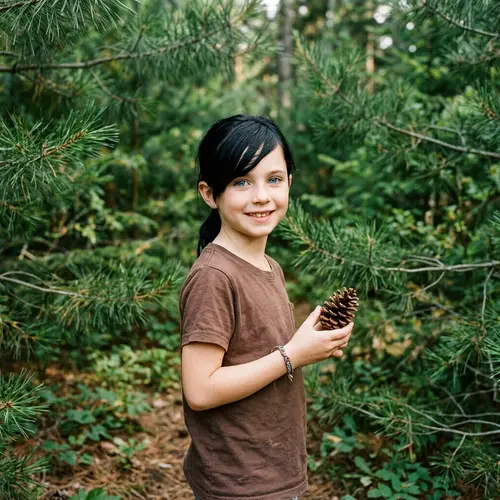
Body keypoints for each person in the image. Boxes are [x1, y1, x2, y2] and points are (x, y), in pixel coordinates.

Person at [179, 114, 354, 500]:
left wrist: (312, 344)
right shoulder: (214, 276)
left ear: (290, 183)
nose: (261, 196)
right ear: (210, 194)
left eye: (273, 179)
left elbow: (257, 351)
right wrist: (292, 354)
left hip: (273, 467)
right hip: (239, 481)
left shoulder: (269, 266)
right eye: (242, 182)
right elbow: (200, 389)